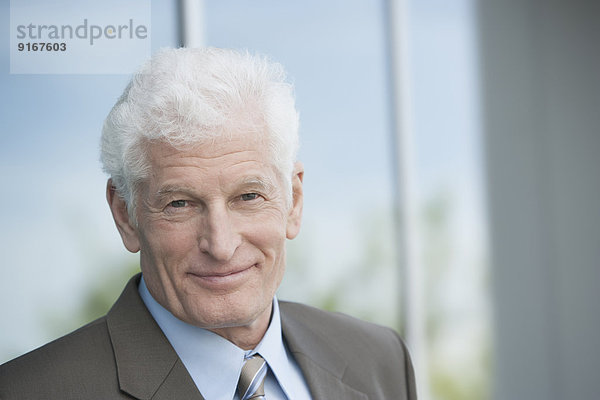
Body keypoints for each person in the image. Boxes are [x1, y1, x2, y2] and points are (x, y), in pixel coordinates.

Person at [0, 47, 416, 400]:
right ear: (126, 215)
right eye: (180, 204)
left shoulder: (379, 359)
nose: (221, 245)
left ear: (294, 201)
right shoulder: (27, 390)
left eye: (248, 197)